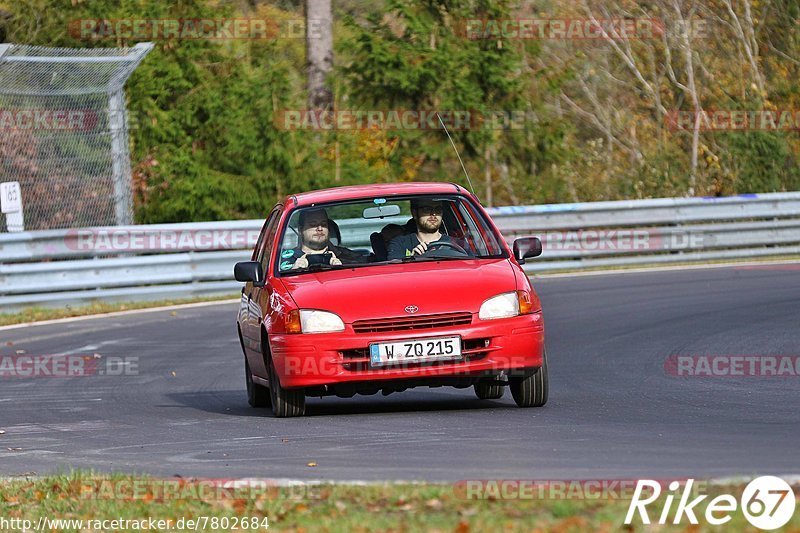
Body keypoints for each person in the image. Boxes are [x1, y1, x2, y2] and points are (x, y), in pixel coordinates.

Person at [279, 208, 365, 271]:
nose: (320, 228)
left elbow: (365, 273)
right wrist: (293, 272)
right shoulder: (284, 261)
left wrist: (343, 268)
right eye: (313, 224)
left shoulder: (347, 256)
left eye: (323, 224)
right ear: (300, 229)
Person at [387, 198, 453, 259]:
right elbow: (396, 270)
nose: (433, 214)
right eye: (427, 209)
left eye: (438, 209)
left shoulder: (456, 244)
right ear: (414, 213)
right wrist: (412, 259)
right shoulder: (399, 244)